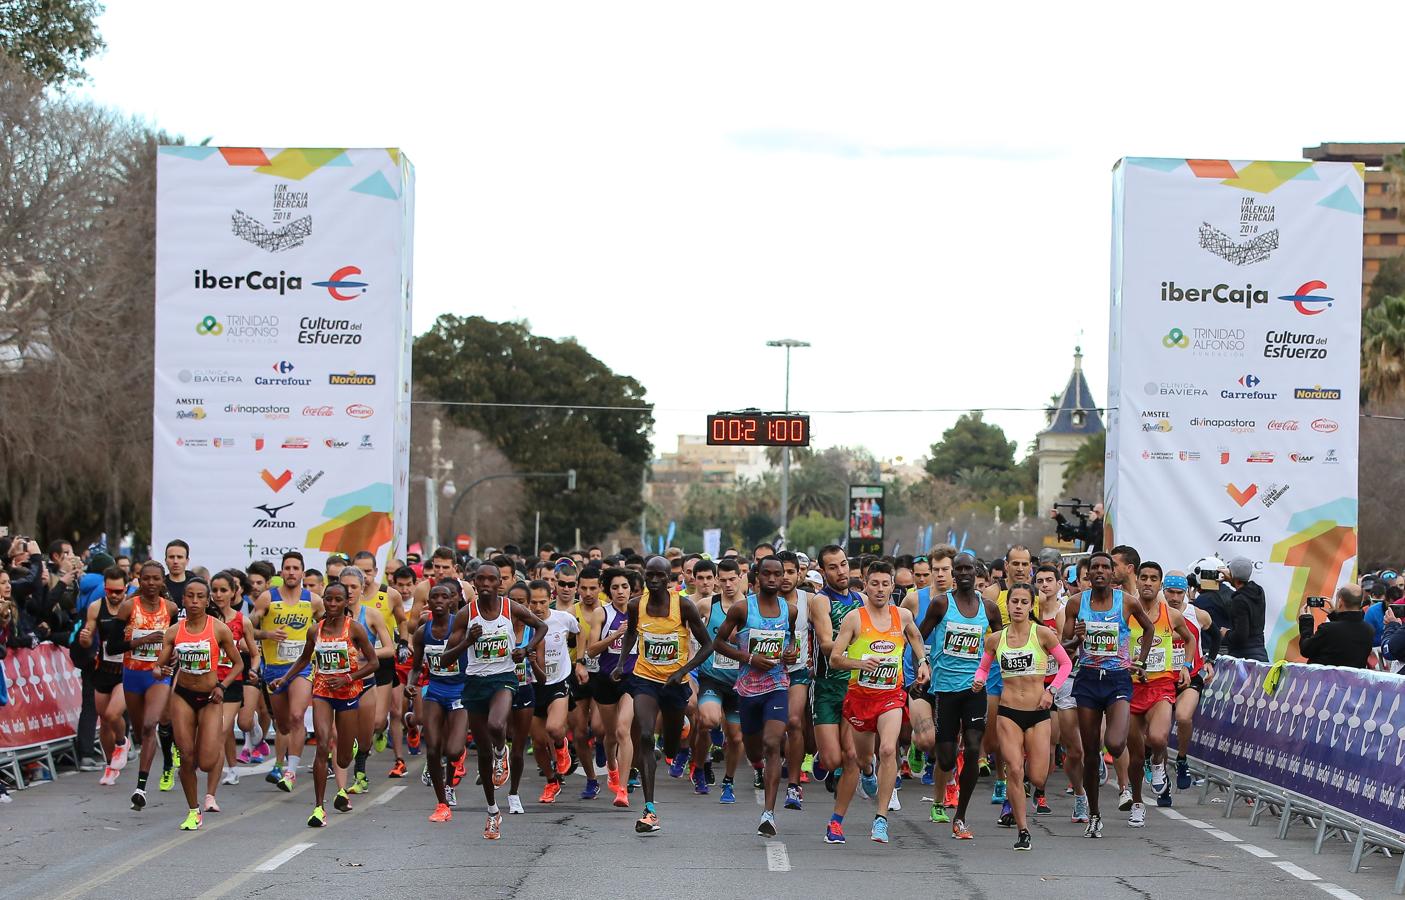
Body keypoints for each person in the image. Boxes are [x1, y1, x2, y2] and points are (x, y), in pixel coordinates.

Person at [441, 562, 548, 839]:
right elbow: (445, 658)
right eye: (482, 579)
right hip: (475, 682)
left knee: (497, 723)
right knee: (483, 754)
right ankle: (492, 811)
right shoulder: (466, 614)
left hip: (503, 678)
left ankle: (503, 753)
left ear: (500, 582)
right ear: (474, 583)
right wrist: (466, 641)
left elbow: (541, 627)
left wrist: (525, 649)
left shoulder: (510, 608)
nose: (487, 584)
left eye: (493, 579)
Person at [828, 561, 930, 844]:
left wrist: (922, 662)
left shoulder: (903, 616)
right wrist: (860, 663)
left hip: (890, 696)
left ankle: (881, 819)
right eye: (875, 584)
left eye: (886, 584)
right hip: (860, 698)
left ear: (893, 588)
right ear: (865, 585)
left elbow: (916, 637)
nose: (880, 589)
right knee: (863, 758)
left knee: (887, 749)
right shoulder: (854, 619)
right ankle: (868, 772)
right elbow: (835, 659)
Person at [612, 556, 713, 834]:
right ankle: (650, 809)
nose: (654, 581)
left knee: (669, 748)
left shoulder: (683, 606)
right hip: (645, 679)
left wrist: (684, 671)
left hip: (675, 684)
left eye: (660, 576)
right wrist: (622, 663)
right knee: (644, 734)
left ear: (670, 579)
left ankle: (679, 731)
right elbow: (631, 634)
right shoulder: (636, 605)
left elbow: (707, 645)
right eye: (649, 576)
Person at [1061, 551, 1157, 838]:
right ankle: (1094, 814)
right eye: (1095, 567)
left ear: (1112, 573)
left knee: (1114, 744)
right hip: (1088, 679)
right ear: (1087, 574)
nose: (1100, 571)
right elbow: (1063, 645)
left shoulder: (1126, 601)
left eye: (1106, 567)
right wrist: (1076, 637)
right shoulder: (1077, 603)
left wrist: (1140, 660)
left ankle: (1127, 780)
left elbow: (1149, 628)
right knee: (1091, 753)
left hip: (1117, 679)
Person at [973, 583, 1072, 850]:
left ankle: (1032, 789)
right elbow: (983, 668)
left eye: (1023, 602)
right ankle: (1023, 830)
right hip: (1008, 713)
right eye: (1013, 602)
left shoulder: (1043, 635)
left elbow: (1066, 664)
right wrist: (979, 680)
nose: (1017, 606)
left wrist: (1051, 691)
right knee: (1014, 770)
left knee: (1037, 777)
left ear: (1031, 606)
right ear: (1008, 606)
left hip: (1038, 713)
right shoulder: (995, 639)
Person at [271, 582, 378, 827]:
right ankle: (319, 808)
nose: (332, 604)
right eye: (328, 599)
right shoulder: (315, 631)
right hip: (322, 692)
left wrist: (349, 677)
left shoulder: (356, 629)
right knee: (321, 745)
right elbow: (304, 658)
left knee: (342, 759)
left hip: (348, 694)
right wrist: (285, 679)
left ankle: (347, 748)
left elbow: (374, 663)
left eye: (337, 600)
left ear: (345, 602)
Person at [713, 556, 798, 836]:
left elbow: (792, 640)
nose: (774, 579)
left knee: (773, 742)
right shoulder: (741, 609)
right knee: (754, 750)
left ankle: (769, 814)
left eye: (779, 574)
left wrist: (790, 652)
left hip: (777, 685)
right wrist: (749, 657)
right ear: (756, 577)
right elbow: (718, 642)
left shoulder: (790, 610)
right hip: (748, 690)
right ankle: (758, 767)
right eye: (768, 574)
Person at [919, 552, 1004, 836]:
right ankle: (947, 773)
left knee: (973, 745)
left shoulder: (989, 608)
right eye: (960, 569)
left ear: (977, 573)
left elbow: (1001, 641)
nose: (965, 573)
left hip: (975, 689)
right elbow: (919, 636)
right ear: (954, 574)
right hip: (944, 689)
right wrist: (923, 664)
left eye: (970, 568)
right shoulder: (941, 604)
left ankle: (961, 816)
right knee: (945, 757)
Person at [156, 578, 242, 830]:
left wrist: (222, 687)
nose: (194, 601)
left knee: (205, 761)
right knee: (186, 756)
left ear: (207, 600)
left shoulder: (219, 629)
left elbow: (238, 664)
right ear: (183, 600)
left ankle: (210, 771)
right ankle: (193, 810)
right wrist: (159, 670)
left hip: (210, 699)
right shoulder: (174, 631)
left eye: (200, 597)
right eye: (190, 596)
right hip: (182, 695)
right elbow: (159, 665)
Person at [1125, 562, 1197, 826]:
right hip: (1131, 688)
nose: (1147, 582)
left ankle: (1158, 763)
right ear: (1137, 581)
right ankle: (1136, 802)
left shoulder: (1171, 615)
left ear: (1160, 585)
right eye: (1143, 577)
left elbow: (1189, 639)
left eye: (1153, 579)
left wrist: (1186, 667)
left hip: (1161, 686)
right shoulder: (1127, 613)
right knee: (1133, 755)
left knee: (1157, 737)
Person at [105, 561, 179, 811]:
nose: (151, 583)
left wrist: (174, 656)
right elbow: (112, 647)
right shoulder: (129, 608)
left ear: (162, 581)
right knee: (140, 731)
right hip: (132, 675)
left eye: (156, 579)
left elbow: (176, 641)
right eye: (146, 579)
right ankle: (162, 755)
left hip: (158, 675)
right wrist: (142, 641)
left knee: (150, 726)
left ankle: (140, 788)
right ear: (139, 580)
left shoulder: (170, 609)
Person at [251, 552, 323, 793]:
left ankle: (290, 772)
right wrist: (267, 634)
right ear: (281, 573)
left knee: (296, 716)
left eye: (296, 568)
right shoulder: (267, 599)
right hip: (274, 668)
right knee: (282, 724)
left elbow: (328, 626)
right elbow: (248, 629)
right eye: (287, 568)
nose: (291, 572)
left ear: (303, 573)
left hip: (302, 667)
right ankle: (283, 762)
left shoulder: (313, 600)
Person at [405, 582, 469, 822]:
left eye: (445, 597)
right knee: (432, 748)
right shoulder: (423, 632)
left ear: (453, 601)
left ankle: (451, 781)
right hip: (435, 690)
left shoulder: (460, 626)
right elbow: (415, 668)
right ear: (428, 603)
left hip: (461, 690)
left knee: (453, 750)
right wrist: (411, 684)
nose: (440, 601)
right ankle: (442, 802)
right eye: (435, 597)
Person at [526, 578, 584, 803]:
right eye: (533, 603)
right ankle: (551, 781)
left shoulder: (564, 619)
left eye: (542, 602)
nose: (538, 608)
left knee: (555, 728)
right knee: (538, 743)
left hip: (558, 682)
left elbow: (579, 632)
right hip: (532, 686)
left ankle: (561, 747)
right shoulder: (524, 624)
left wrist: (579, 660)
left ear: (550, 599)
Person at [693, 558, 745, 802]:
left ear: (740, 578)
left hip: (740, 681)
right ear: (716, 580)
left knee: (735, 737)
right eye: (722, 580)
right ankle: (701, 766)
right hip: (711, 677)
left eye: (732, 579)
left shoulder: (750, 606)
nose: (727, 584)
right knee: (708, 721)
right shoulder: (706, 605)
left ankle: (729, 781)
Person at [78, 567, 133, 786]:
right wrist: (84, 639)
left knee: (112, 714)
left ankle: (122, 743)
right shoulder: (96, 607)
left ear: (126, 588)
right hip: (103, 670)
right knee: (104, 722)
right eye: (111, 590)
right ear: (104, 588)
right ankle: (111, 766)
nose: (115, 595)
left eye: (119, 591)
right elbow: (87, 638)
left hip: (126, 671)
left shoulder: (132, 607)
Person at [208, 570, 259, 809]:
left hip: (232, 683)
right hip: (205, 683)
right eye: (215, 590)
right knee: (222, 732)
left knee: (221, 731)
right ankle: (232, 768)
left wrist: (253, 669)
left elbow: (255, 654)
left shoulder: (242, 620)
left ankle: (210, 793)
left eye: (223, 590)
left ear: (233, 592)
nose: (218, 595)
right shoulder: (205, 619)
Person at [1164, 571, 1215, 792]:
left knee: (1184, 718)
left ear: (1186, 592)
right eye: (1170, 592)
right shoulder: (1155, 612)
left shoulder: (1198, 614)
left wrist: (1210, 660)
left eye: (1179, 593)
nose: (1175, 597)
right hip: (1162, 678)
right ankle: (1158, 769)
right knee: (1158, 733)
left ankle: (1182, 759)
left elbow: (1217, 636)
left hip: (1191, 676)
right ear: (1163, 591)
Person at [503, 581, 540, 815]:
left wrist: (531, 659)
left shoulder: (533, 632)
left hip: (525, 689)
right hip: (499, 689)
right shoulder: (498, 626)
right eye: (513, 601)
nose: (517, 606)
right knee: (500, 732)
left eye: (522, 602)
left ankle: (514, 794)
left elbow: (543, 678)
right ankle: (499, 755)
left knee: (518, 747)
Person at [1298, 584, 1373, 668]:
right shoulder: (1369, 630)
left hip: (1324, 679)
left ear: (1340, 601)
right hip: (1352, 680)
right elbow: (1347, 632)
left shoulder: (1327, 629)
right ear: (1361, 602)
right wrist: (1335, 616)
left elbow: (1306, 650)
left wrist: (1306, 620)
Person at [1224, 557, 1268, 662]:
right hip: (1260, 652)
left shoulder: (1239, 600)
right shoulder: (1258, 591)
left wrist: (1226, 633)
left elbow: (1241, 635)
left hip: (1244, 658)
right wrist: (1232, 578)